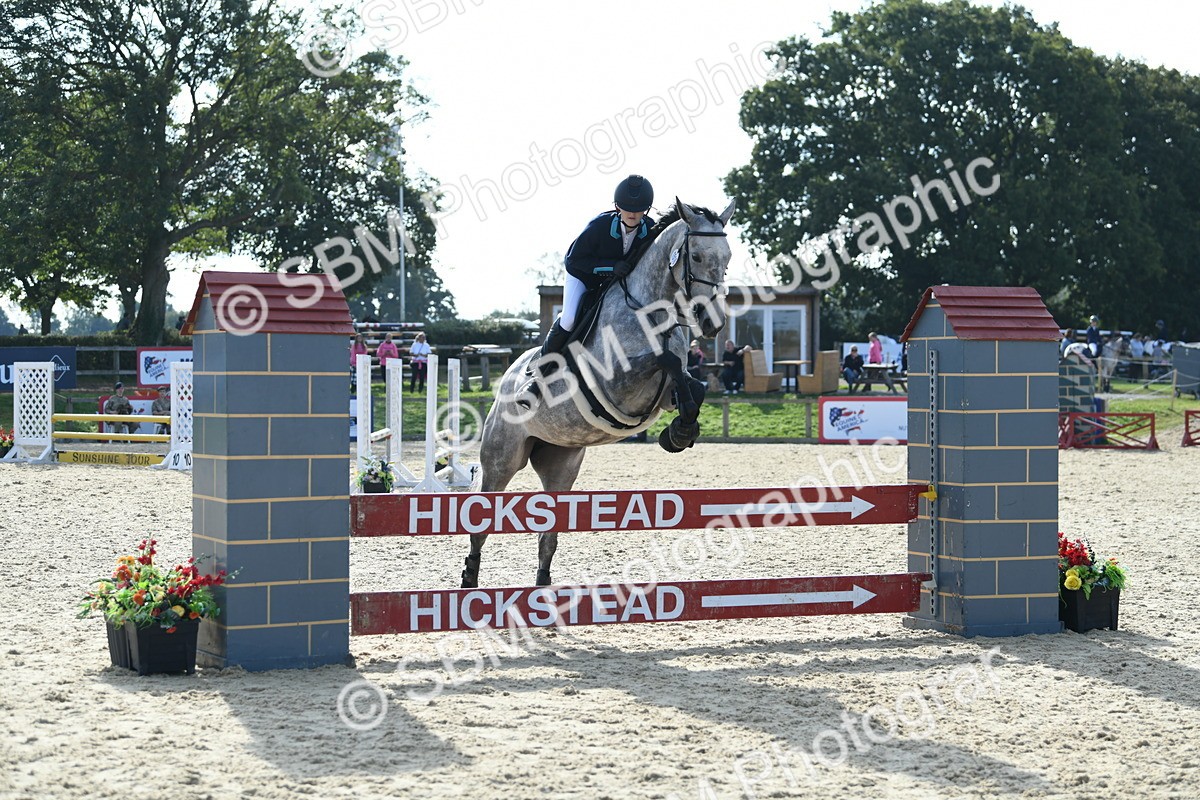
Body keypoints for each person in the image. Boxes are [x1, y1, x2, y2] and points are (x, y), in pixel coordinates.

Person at [530, 175, 656, 377]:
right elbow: (574, 260)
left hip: (615, 281)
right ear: (618, 207)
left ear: (646, 209)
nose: (632, 212)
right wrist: (610, 267)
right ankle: (539, 372)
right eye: (627, 207)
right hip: (582, 275)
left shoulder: (650, 229)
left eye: (638, 208)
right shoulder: (599, 226)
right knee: (569, 319)